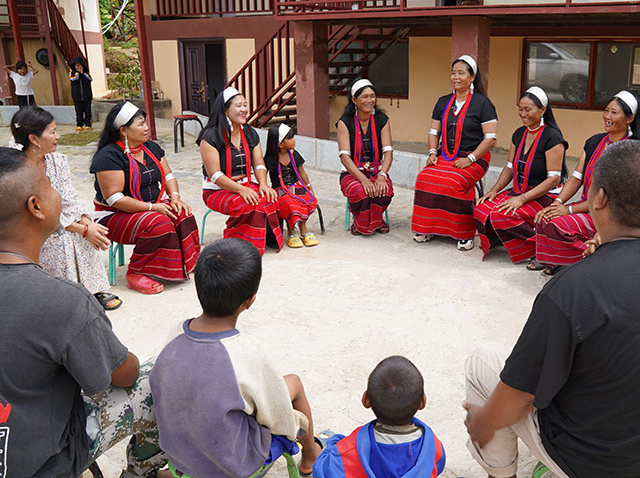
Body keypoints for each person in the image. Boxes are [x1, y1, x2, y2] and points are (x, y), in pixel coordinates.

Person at [463, 141, 640, 478]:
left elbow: (519, 397)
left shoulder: (573, 287)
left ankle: (500, 474)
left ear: (599, 198)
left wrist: (481, 423)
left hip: (597, 465)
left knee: (482, 362)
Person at [0, 147, 166, 477]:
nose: (57, 190)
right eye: (49, 184)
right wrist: (115, 352)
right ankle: (140, 473)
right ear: (35, 207)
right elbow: (124, 375)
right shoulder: (61, 300)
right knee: (160, 379)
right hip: (46, 462)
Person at [150, 238, 321, 477]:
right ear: (250, 300)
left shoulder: (176, 332)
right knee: (294, 384)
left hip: (180, 458)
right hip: (235, 466)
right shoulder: (249, 351)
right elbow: (277, 418)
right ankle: (310, 455)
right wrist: (293, 429)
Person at [10, 106, 121, 310]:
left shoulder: (56, 160)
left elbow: (69, 197)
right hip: (27, 224)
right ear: (34, 139)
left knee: (85, 229)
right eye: (52, 131)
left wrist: (86, 223)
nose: (58, 136)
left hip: (54, 216)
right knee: (63, 238)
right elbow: (33, 211)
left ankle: (92, 289)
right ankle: (64, 293)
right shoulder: (15, 165)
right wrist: (82, 229)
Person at [533, 90, 640, 274]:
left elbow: (610, 197)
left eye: (614, 112)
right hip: (587, 206)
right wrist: (557, 203)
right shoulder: (595, 141)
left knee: (556, 224)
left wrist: (569, 210)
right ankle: (566, 262)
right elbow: (576, 178)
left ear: (629, 119)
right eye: (606, 110)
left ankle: (590, 263)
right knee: (545, 218)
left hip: (610, 213)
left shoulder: (632, 151)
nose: (607, 117)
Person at [90, 101, 200, 294]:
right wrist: (152, 208)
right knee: (158, 223)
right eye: (140, 124)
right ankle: (135, 272)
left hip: (151, 207)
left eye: (145, 122)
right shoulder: (109, 156)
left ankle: (184, 264)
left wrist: (175, 197)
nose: (146, 128)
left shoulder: (150, 148)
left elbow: (168, 175)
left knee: (183, 213)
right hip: (114, 216)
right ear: (124, 131)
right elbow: (115, 199)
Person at [473, 86, 567, 268]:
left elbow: (553, 180)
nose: (522, 114)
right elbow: (509, 167)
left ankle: (542, 249)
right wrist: (493, 191)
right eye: (520, 109)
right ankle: (505, 237)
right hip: (520, 190)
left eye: (528, 109)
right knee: (481, 207)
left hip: (544, 195)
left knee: (503, 216)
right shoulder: (519, 133)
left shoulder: (552, 137)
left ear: (542, 111)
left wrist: (521, 199)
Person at [412, 55, 498, 251]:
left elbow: (490, 138)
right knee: (425, 178)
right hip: (446, 155)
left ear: (472, 76)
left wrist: (470, 159)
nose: (456, 77)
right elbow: (434, 131)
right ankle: (428, 228)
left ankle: (464, 233)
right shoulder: (443, 102)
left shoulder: (483, 103)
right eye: (453, 73)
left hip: (476, 158)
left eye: (461, 73)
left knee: (454, 182)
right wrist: (433, 152)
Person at [313, 356, 446, 477]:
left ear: (366, 400)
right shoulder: (431, 445)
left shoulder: (349, 449)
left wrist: (333, 443)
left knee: (335, 442)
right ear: (423, 402)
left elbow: (322, 470)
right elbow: (438, 464)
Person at [198, 87, 283, 254]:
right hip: (217, 191)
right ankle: (234, 244)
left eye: (245, 105)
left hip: (245, 184)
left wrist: (263, 184)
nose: (244, 109)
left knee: (270, 196)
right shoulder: (210, 137)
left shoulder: (250, 133)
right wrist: (241, 189)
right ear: (225, 110)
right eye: (238, 106)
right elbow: (215, 175)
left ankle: (264, 237)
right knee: (246, 203)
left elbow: (259, 164)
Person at [336, 79, 394, 235]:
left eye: (372, 96)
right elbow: (344, 157)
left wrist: (382, 175)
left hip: (377, 169)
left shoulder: (382, 120)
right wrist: (363, 179)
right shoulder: (344, 122)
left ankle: (376, 219)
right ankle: (360, 222)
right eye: (365, 97)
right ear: (354, 100)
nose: (370, 101)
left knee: (385, 189)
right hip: (352, 171)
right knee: (361, 192)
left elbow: (388, 151)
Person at [265, 122, 319, 248]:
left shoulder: (294, 154)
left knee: (306, 198)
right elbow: (262, 173)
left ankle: (303, 229)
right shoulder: (271, 158)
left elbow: (302, 172)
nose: (294, 140)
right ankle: (291, 231)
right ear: (280, 144)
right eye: (290, 138)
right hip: (280, 190)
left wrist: (309, 186)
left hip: (295, 187)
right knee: (289, 202)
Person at [70, 56, 93, 131]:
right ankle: (79, 125)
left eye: (80, 65)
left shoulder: (86, 74)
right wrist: (78, 73)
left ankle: (88, 124)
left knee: (87, 111)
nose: (79, 67)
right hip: (77, 96)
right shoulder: (72, 73)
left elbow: (89, 80)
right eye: (77, 65)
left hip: (86, 96)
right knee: (78, 111)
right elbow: (74, 79)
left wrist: (82, 73)